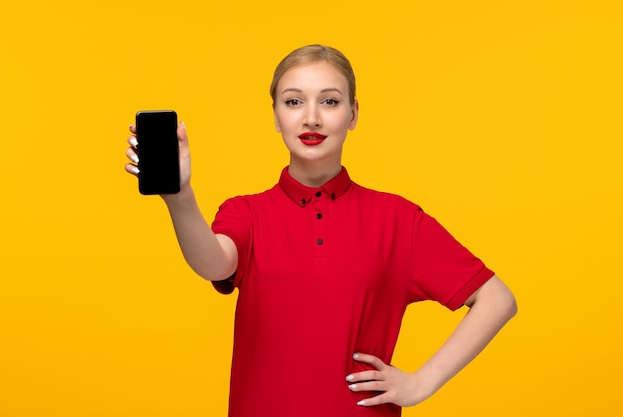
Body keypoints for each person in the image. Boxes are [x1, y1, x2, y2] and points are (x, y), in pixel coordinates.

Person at [124, 44, 517, 417]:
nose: (311, 117)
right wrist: (179, 197)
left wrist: (421, 383)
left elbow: (497, 299)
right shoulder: (246, 212)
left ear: (353, 114)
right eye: (294, 101)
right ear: (276, 116)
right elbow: (214, 263)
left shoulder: (399, 219)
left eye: (329, 101)